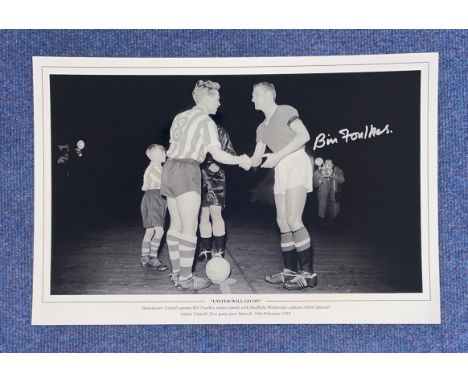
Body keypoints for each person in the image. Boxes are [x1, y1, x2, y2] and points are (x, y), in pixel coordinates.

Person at [160, 80, 251, 290]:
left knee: (175, 225)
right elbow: (217, 154)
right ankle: (185, 278)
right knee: (190, 228)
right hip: (187, 169)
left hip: (169, 168)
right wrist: (241, 160)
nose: (219, 104)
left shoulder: (180, 116)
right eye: (217, 99)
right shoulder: (206, 121)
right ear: (207, 97)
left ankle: (176, 274)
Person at [249, 82, 317, 291]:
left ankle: (309, 275)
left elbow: (304, 136)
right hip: (281, 167)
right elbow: (256, 158)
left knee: (293, 219)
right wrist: (240, 160)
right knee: (282, 221)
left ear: (269, 95)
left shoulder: (286, 110)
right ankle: (290, 271)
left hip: (296, 161)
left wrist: (277, 155)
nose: (252, 98)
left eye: (255, 94)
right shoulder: (261, 127)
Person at [198, 125, 237, 261]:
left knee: (216, 214)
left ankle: (219, 252)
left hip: (216, 178)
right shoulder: (197, 130)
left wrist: (219, 165)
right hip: (198, 176)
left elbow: (231, 154)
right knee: (203, 217)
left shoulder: (220, 131)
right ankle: (206, 250)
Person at [140, 144, 169, 271]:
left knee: (150, 231)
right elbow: (166, 183)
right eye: (162, 153)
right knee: (160, 231)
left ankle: (145, 258)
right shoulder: (156, 168)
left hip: (150, 197)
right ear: (154, 156)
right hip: (154, 197)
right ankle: (153, 258)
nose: (165, 155)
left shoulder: (151, 168)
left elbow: (144, 186)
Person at [313, 158, 345, 225]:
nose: (328, 166)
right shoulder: (318, 172)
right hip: (323, 197)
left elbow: (342, 180)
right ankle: (322, 227)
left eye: (330, 164)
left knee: (334, 215)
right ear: (324, 164)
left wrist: (334, 176)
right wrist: (320, 180)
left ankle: (333, 227)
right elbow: (314, 185)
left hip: (333, 196)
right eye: (326, 164)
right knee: (322, 214)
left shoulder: (337, 171)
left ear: (332, 165)